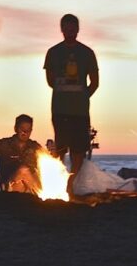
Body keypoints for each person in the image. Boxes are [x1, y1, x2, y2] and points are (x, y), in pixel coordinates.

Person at [43, 14, 98, 191]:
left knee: (79, 150)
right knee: (60, 148)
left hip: (80, 111)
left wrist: (83, 96)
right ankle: (58, 184)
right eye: (66, 29)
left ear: (78, 29)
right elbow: (50, 80)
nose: (70, 32)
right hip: (60, 109)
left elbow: (95, 82)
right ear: (62, 29)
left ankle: (71, 185)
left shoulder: (87, 53)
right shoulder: (53, 52)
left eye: (73, 29)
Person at [0, 115, 43, 195]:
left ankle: (39, 194)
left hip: (31, 187)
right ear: (15, 128)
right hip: (12, 186)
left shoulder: (35, 147)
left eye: (28, 130)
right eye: (22, 129)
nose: (25, 132)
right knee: (23, 171)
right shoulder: (4, 144)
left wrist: (53, 152)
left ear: (31, 130)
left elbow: (48, 160)